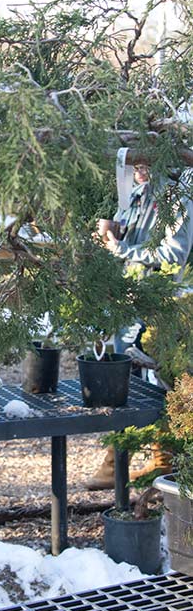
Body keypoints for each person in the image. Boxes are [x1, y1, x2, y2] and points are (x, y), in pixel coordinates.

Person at [86, 162, 193, 490]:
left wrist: (121, 250)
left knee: (151, 383)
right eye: (133, 162)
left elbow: (174, 255)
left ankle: (137, 463)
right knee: (125, 381)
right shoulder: (137, 191)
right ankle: (136, 464)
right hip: (128, 298)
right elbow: (130, 232)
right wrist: (112, 231)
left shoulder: (179, 195)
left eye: (145, 162)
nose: (137, 169)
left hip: (161, 300)